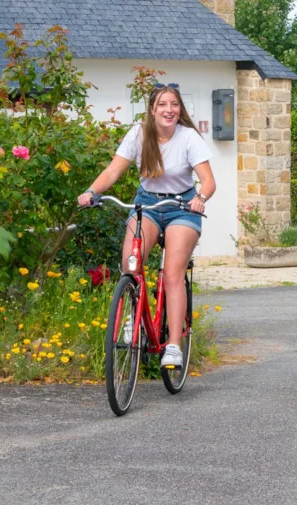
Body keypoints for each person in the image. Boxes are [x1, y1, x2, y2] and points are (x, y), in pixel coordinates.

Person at [78, 83, 215, 368]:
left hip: (182, 208)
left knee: (173, 274)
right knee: (131, 263)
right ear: (152, 110)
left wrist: (201, 198)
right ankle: (131, 321)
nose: (169, 110)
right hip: (147, 205)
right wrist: (92, 191)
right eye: (163, 104)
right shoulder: (139, 135)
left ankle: (174, 345)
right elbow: (113, 170)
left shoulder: (189, 138)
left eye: (174, 104)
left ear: (180, 109)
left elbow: (209, 181)